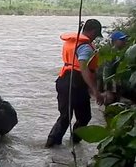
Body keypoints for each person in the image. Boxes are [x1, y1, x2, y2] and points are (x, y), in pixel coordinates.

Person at [45, 19, 104, 148]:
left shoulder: (73, 42)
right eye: (96, 34)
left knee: (72, 116)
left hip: (64, 80)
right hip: (75, 83)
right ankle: (65, 143)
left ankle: (57, 146)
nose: (95, 38)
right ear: (93, 31)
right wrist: (95, 91)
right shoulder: (85, 47)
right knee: (76, 117)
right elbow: (84, 69)